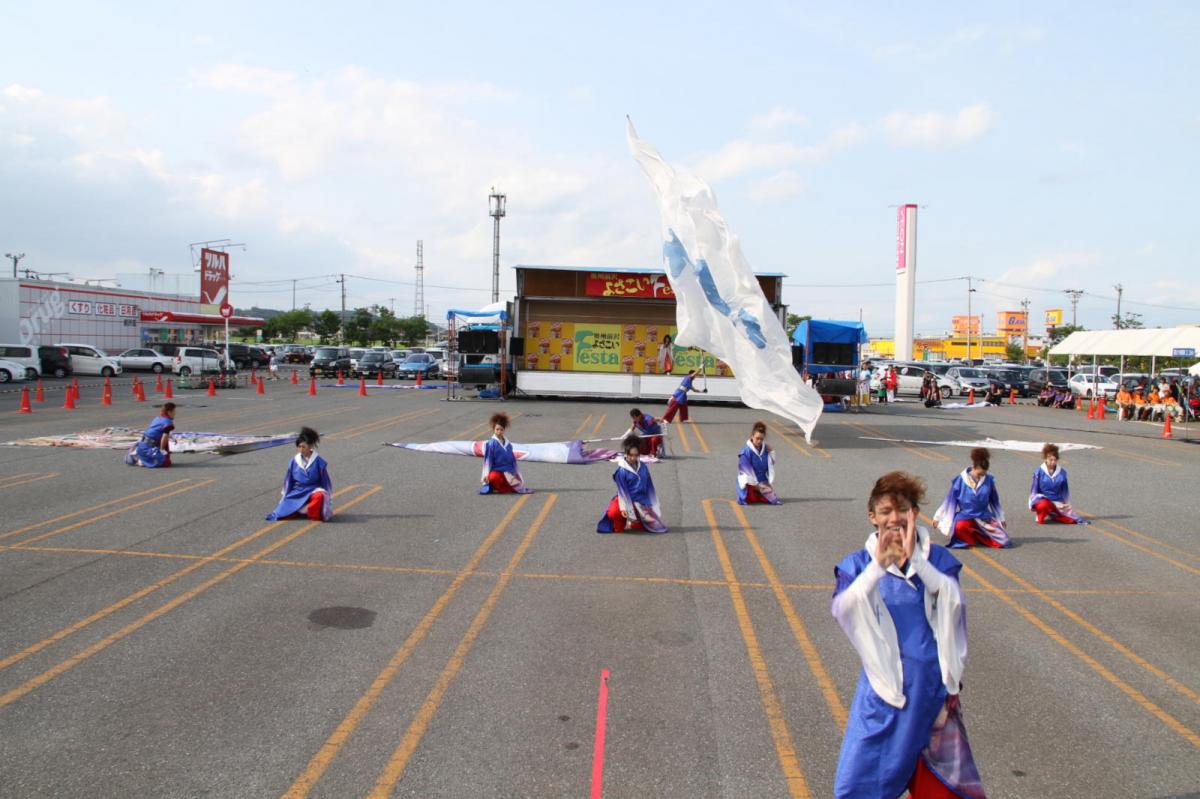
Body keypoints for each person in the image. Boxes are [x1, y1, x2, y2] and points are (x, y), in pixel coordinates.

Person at [831, 471, 985, 799]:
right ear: (872, 517)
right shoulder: (858, 565)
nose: (895, 519)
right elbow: (844, 609)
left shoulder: (939, 562)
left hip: (933, 693)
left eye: (903, 509)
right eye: (885, 511)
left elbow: (953, 603)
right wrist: (877, 566)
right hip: (885, 696)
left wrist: (917, 561)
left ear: (915, 513)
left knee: (944, 789)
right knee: (857, 786)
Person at [933, 447, 1009, 548]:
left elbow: (995, 502)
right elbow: (949, 501)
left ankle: (976, 535)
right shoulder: (960, 480)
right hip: (965, 515)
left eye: (984, 474)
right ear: (973, 467)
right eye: (979, 474)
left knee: (1004, 540)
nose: (981, 476)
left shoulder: (989, 480)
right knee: (960, 528)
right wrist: (937, 517)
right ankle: (971, 536)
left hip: (983, 516)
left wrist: (1001, 518)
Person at [597, 435, 668, 533]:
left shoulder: (643, 467)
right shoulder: (621, 471)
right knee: (614, 513)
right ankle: (621, 522)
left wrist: (654, 504)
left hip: (642, 501)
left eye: (636, 455)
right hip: (626, 499)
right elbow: (622, 492)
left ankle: (635, 522)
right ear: (626, 454)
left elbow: (650, 487)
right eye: (631, 455)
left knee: (656, 526)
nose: (634, 457)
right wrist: (623, 508)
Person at [266, 427, 333, 521]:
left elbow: (325, 481)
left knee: (320, 496)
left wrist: (328, 498)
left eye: (303, 447)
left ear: (310, 446)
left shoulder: (319, 462)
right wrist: (285, 496)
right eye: (299, 447)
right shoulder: (294, 461)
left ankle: (311, 512)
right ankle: (301, 510)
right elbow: (289, 481)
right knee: (282, 514)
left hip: (313, 489)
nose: (301, 449)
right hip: (298, 491)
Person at [1029, 443, 1088, 525]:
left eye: (1055, 460)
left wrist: (1066, 503)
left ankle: (1053, 513)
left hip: (1057, 502)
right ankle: (1043, 513)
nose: (1053, 462)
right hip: (1043, 501)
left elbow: (1064, 491)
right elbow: (1034, 491)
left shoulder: (1062, 473)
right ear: (1045, 459)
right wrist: (1035, 501)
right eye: (1050, 460)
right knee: (1042, 513)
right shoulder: (1038, 472)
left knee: (1070, 519)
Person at [480, 412, 532, 494]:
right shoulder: (491, 444)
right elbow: (488, 460)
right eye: (497, 429)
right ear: (493, 429)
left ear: (504, 430)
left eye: (501, 429)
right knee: (493, 477)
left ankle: (501, 487)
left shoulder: (508, 444)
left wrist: (515, 472)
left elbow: (512, 460)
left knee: (515, 483)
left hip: (508, 471)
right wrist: (485, 474)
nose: (499, 432)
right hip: (496, 470)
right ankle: (498, 487)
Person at [737, 421, 780, 505]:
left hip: (762, 482)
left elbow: (771, 464)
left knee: (773, 500)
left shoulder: (765, 450)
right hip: (749, 483)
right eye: (757, 438)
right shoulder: (746, 452)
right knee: (748, 499)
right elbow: (744, 472)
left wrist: (772, 452)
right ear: (752, 437)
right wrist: (756, 485)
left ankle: (762, 491)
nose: (759, 441)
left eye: (761, 439)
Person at [125, 402, 176, 468]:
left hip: (143, 444)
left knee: (166, 458)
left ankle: (141, 456)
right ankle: (140, 460)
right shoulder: (167, 422)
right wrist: (162, 449)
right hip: (149, 447)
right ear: (169, 412)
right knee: (166, 463)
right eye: (174, 411)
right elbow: (164, 437)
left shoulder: (158, 418)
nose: (175, 413)